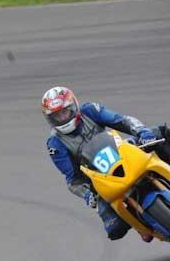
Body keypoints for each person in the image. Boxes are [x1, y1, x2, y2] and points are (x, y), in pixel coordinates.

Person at [42, 86, 169, 242]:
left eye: (64, 112)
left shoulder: (89, 110)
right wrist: (88, 195)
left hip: (121, 151)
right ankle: (141, 225)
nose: (62, 118)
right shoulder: (55, 144)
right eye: (56, 116)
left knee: (162, 133)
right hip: (98, 178)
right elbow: (72, 179)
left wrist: (143, 132)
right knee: (115, 228)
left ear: (73, 107)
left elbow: (122, 120)